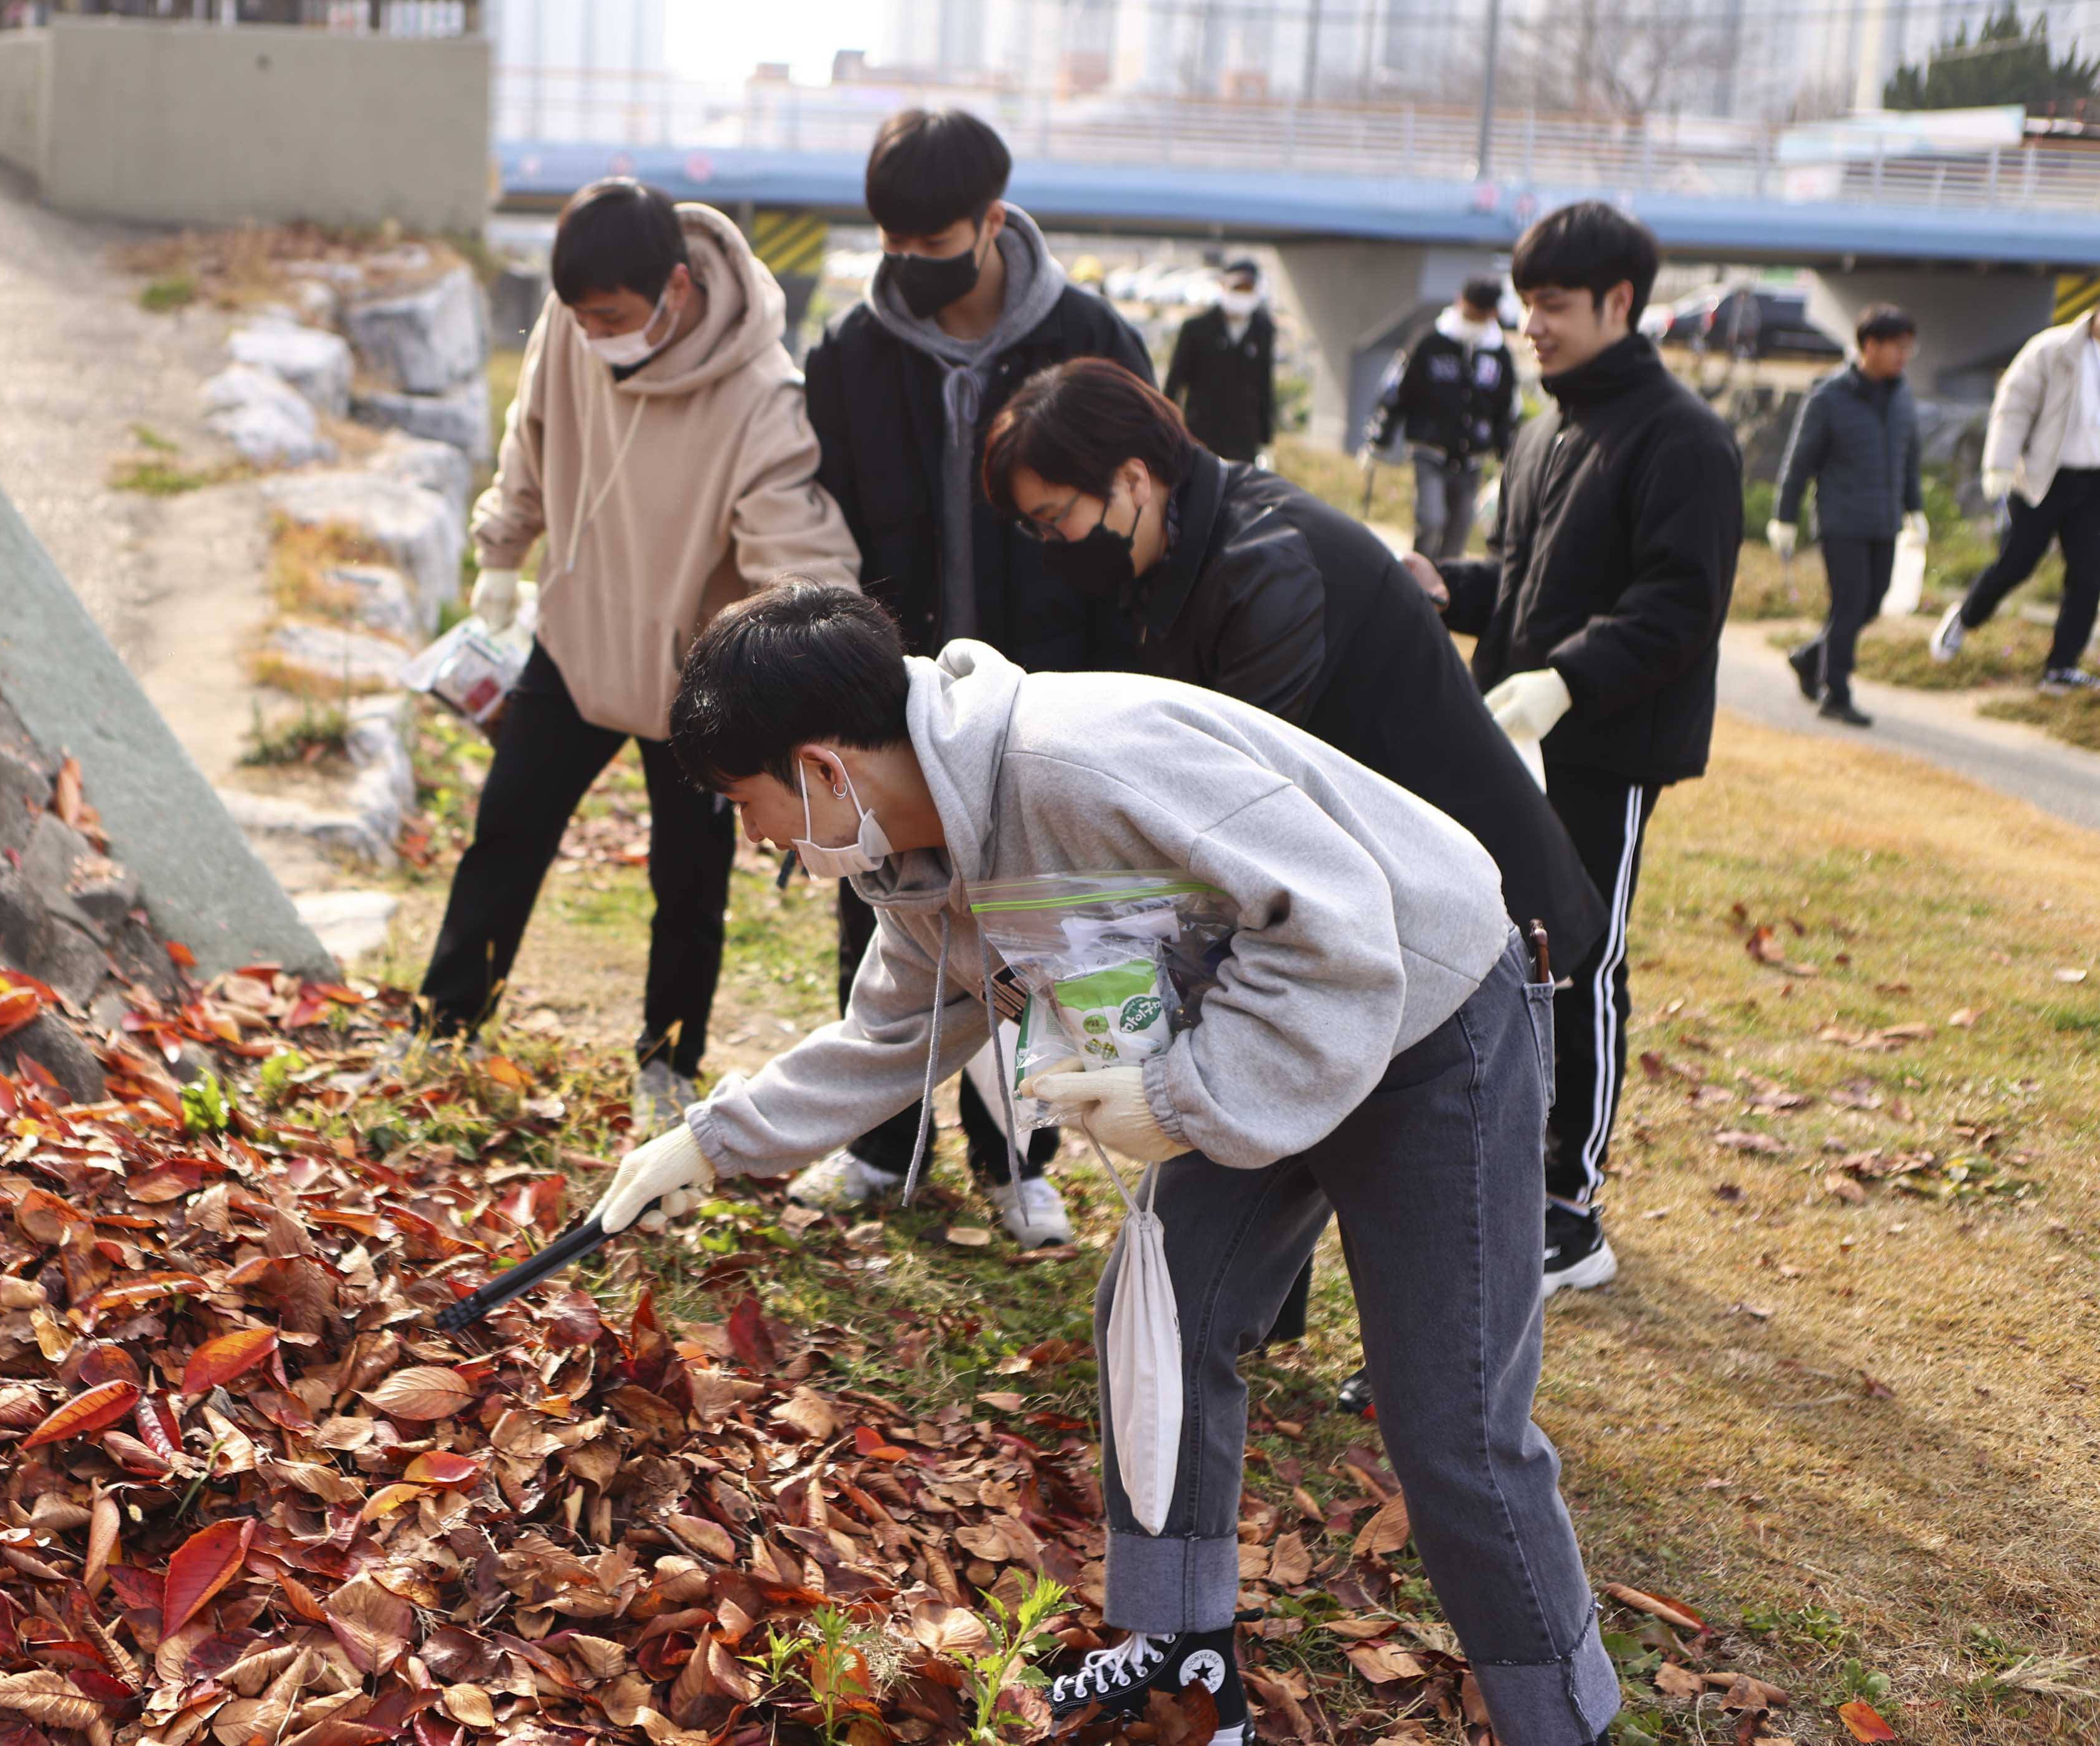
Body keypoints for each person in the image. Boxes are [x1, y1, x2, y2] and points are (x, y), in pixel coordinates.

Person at [598, 583, 1622, 1746]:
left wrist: (1180, 1097)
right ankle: (1183, 1658)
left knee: (1450, 1423)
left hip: (1426, 1020)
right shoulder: (922, 856)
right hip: (1252, 1036)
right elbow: (892, 1033)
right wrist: (715, 1140)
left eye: (751, 803)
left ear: (826, 769)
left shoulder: (1079, 765)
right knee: (1161, 1315)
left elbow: (1341, 929)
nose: (759, 837)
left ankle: (1563, 1719)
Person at [991, 354, 1604, 1369]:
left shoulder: (1265, 563)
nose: (1050, 544)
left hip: (1464, 907)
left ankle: (1446, 1405)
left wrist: (1116, 967)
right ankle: (1269, 1319)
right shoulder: (1177, 555)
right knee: (1306, 1106)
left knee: (1429, 1174)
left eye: (1055, 516)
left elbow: (1232, 813)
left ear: (1134, 480)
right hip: (1369, 893)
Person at [417, 179, 859, 1121]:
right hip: (574, 643)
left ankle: (670, 1063)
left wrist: (822, 663)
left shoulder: (759, 393)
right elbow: (528, 440)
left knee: (689, 883)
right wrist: (502, 548)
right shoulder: (572, 328)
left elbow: (799, 552)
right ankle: (446, 1024)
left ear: (677, 288)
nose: (592, 334)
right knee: (505, 834)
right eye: (577, 316)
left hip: (691, 679)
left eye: (611, 316)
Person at [796, 107, 1155, 1246]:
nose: (911, 263)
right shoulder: (852, 356)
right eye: (892, 240)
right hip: (895, 690)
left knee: (1032, 920)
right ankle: (877, 1143)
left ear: (995, 219)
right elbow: (830, 518)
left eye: (936, 237)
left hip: (1048, 684)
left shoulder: (1091, 340)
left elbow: (1141, 516)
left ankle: (1020, 1156)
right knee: (890, 907)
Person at [1406, 201, 1741, 1298]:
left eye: (1553, 305)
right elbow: (1523, 581)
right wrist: (1446, 588)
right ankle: (1513, 1165)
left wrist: (1567, 683)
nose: (1532, 326)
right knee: (1512, 955)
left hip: (1611, 742)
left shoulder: (1683, 437)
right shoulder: (1546, 431)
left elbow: (1679, 604)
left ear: (1619, 304)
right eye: (1526, 304)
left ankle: (1572, 1207)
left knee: (1584, 958)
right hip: (1521, 742)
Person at [1929, 302, 2100, 692]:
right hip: (2043, 478)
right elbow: (2013, 407)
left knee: (2089, 575)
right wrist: (2000, 465)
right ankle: (1964, 619)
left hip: (2094, 484)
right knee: (2017, 564)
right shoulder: (2053, 349)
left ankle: (2061, 667)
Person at [1769, 306, 1926, 728]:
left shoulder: (1901, 396)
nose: (1903, 356)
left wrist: (1915, 508)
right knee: (1850, 603)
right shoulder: (1829, 397)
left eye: (1907, 348)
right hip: (1841, 520)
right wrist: (1785, 516)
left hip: (1884, 519)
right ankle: (1835, 691)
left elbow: (1909, 458)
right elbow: (1799, 462)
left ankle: (1809, 659)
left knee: (1871, 604)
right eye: (1896, 347)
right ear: (1869, 346)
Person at [1372, 275, 1520, 560]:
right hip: (1429, 448)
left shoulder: (1498, 353)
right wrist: (1382, 434)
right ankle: (1418, 580)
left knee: (1459, 530)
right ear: (1460, 301)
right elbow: (1398, 389)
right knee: (1431, 520)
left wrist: (1507, 453)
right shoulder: (1430, 342)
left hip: (1472, 457)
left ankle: (1446, 591)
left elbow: (1506, 408)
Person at [1164, 259, 1277, 465]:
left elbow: (1265, 382)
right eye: (1237, 287)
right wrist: (1169, 427)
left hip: (1244, 436)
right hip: (1202, 431)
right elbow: (1175, 380)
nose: (1241, 294)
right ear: (1223, 286)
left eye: (1247, 288)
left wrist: (1266, 437)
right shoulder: (1196, 329)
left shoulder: (1263, 329)